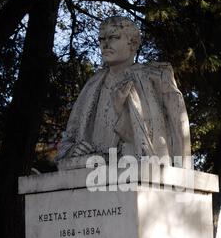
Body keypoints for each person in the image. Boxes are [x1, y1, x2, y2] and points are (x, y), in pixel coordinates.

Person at [57, 16, 191, 167]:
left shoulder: (153, 78)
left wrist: (122, 110)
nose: (105, 44)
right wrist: (73, 150)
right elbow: (69, 138)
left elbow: (164, 137)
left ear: (133, 43)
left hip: (130, 166)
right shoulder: (92, 84)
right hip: (90, 167)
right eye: (101, 39)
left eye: (114, 37)